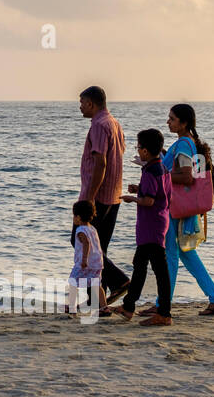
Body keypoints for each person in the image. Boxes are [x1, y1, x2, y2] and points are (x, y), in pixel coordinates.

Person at [139, 104, 214, 317]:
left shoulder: (183, 144)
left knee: (170, 254)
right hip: (178, 205)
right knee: (186, 253)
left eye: (171, 118)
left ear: (184, 122)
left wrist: (161, 176)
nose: (168, 122)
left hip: (174, 207)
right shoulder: (184, 143)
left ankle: (163, 303)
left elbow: (187, 177)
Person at [109, 129, 173, 325]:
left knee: (159, 270)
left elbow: (149, 201)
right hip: (158, 223)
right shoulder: (162, 168)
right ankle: (129, 307)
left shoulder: (149, 171)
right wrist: (139, 189)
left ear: (145, 151)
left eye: (138, 147)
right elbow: (161, 193)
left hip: (151, 226)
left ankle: (164, 313)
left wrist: (133, 198)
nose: (138, 151)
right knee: (140, 265)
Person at [77, 86, 130, 302]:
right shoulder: (114, 123)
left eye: (81, 102)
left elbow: (101, 162)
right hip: (114, 194)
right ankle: (98, 301)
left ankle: (119, 281)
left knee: (80, 240)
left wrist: (90, 196)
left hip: (98, 196)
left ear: (91, 103)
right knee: (100, 247)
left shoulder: (99, 125)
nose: (80, 106)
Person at [67, 200, 106, 318]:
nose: (73, 218)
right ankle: (104, 307)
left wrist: (84, 260)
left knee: (73, 283)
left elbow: (86, 244)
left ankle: (72, 309)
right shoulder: (92, 228)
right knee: (97, 285)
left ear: (78, 217)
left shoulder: (80, 230)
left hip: (84, 263)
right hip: (97, 263)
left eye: (74, 215)